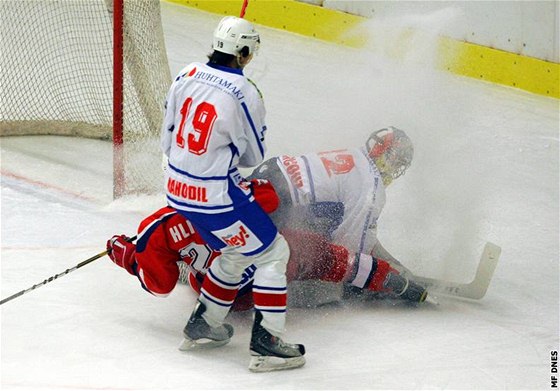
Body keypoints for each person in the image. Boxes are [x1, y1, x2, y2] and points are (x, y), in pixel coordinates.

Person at [159, 16, 304, 372]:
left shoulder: (187, 72)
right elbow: (252, 158)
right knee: (273, 252)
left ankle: (205, 323)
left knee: (235, 250)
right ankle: (268, 340)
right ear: (244, 52)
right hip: (215, 195)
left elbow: (167, 134)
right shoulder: (246, 91)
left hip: (176, 189)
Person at [247, 126, 420, 296]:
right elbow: (351, 248)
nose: (395, 168)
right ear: (384, 155)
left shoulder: (355, 155)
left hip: (267, 176)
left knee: (328, 220)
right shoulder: (370, 183)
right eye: (396, 162)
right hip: (278, 202)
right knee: (327, 281)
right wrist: (377, 278)